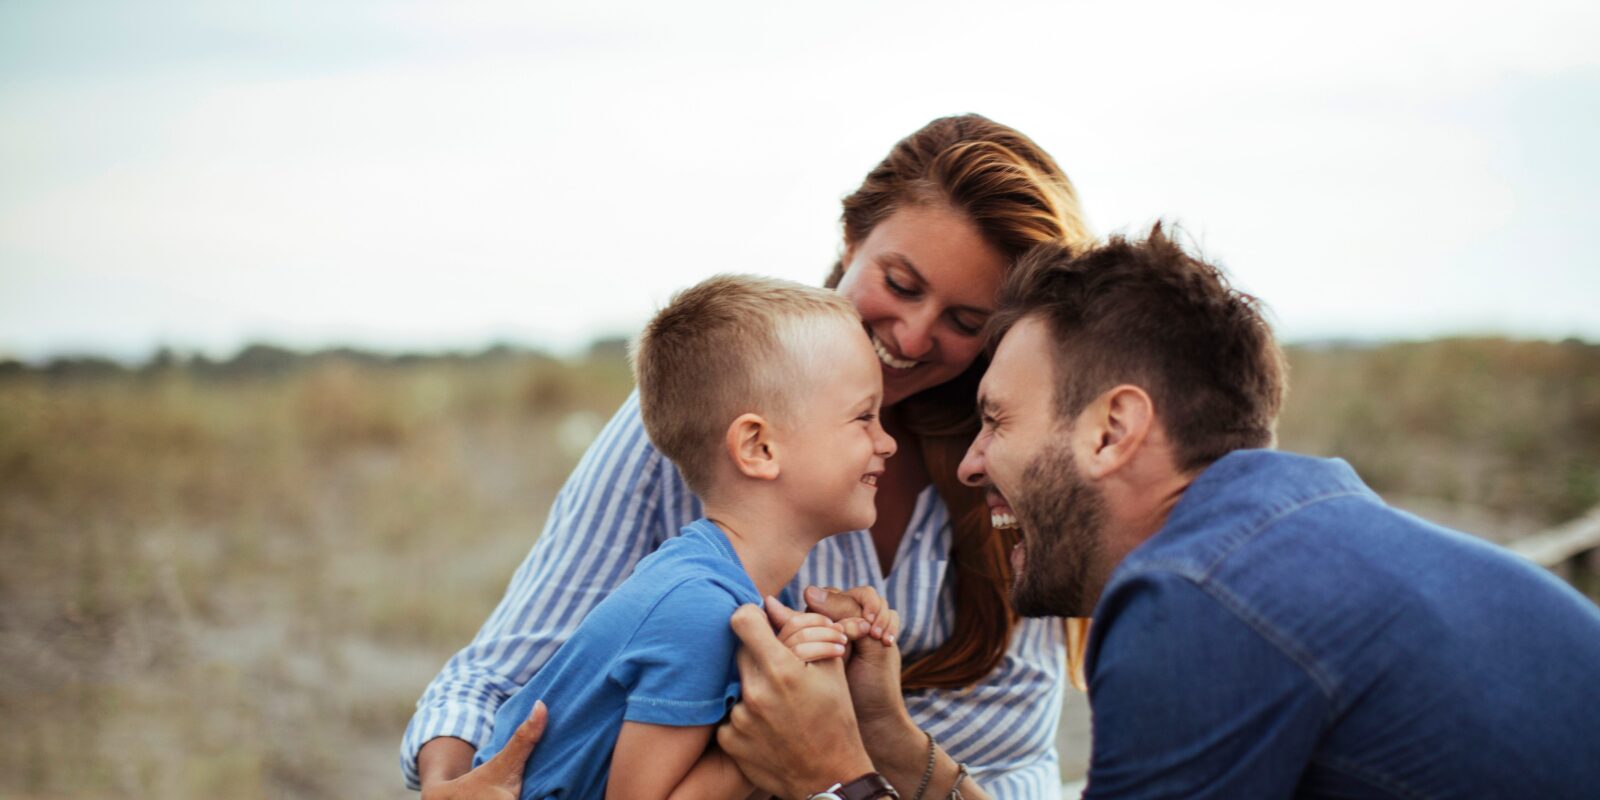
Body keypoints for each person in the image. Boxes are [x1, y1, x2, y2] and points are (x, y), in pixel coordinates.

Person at [403, 114, 1095, 799]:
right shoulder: (705, 422)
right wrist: (451, 784)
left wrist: (855, 736)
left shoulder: (1017, 460)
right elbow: (505, 670)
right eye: (902, 284)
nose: (913, 337)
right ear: (851, 237)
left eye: (965, 322)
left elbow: (1011, 749)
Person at [949, 227, 1600, 797]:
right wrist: (900, 751)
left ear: (1112, 429)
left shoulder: (1194, 600)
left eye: (996, 420)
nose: (970, 464)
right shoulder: (1310, 532)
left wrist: (856, 773)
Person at [471, 275, 901, 799]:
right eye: (864, 417)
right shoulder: (695, 609)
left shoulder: (756, 592)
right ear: (759, 447)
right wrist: (765, 744)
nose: (888, 442)